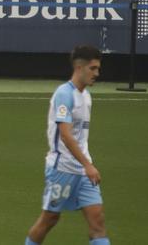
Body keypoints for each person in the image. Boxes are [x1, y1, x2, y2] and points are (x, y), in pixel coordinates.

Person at [25, 45, 109, 245]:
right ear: (79, 67)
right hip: (62, 169)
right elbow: (65, 135)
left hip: (83, 171)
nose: (97, 73)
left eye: (98, 69)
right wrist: (88, 165)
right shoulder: (64, 94)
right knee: (50, 218)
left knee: (97, 220)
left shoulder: (86, 96)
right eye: (93, 68)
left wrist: (86, 164)